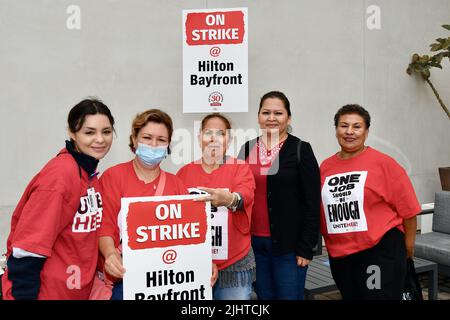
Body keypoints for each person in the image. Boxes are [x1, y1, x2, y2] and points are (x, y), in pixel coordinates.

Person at [98, 109, 217, 300]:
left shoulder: (176, 184)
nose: (154, 145)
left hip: (170, 282)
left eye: (161, 140)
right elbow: (105, 225)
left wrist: (203, 262)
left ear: (168, 145)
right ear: (134, 140)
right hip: (127, 278)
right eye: (147, 137)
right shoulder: (114, 177)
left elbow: (190, 234)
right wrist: (110, 253)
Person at [1, 98, 115, 299]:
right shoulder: (61, 175)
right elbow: (28, 248)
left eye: (106, 132)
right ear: (72, 133)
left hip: (74, 290)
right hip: (45, 292)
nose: (100, 139)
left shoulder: (88, 172)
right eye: (89, 132)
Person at [320, 104, 420, 300]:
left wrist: (407, 251)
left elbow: (409, 212)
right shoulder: (326, 166)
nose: (349, 132)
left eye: (357, 126)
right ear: (336, 130)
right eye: (343, 126)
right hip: (341, 256)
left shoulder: (384, 164)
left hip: (378, 252)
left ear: (366, 131)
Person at [238, 91, 321, 300]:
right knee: (265, 297)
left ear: (289, 117)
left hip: (290, 247)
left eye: (278, 113)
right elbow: (238, 192)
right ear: (258, 117)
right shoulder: (247, 149)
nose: (272, 118)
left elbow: (312, 202)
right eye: (266, 112)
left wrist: (306, 247)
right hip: (254, 246)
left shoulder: (301, 149)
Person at [177, 113, 256, 300]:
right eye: (208, 133)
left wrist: (229, 199)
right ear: (199, 138)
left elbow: (245, 195)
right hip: (194, 263)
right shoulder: (184, 172)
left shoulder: (240, 167)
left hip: (234, 263)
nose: (213, 138)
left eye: (220, 133)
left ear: (229, 139)